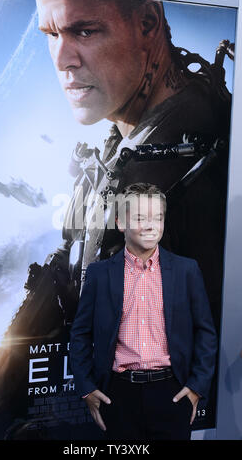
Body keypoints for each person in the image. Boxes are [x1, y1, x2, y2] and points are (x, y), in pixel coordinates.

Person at [35, 0, 231, 334]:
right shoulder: (141, 135)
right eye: (51, 34)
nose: (62, 59)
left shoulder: (175, 172)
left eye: (84, 31)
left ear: (147, 23)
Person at [70, 183, 218, 440]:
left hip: (171, 393)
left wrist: (196, 386)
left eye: (157, 218)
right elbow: (80, 334)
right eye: (140, 218)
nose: (150, 226)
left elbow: (206, 332)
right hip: (117, 395)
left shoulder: (186, 271)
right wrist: (86, 388)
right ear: (120, 223)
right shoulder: (99, 274)